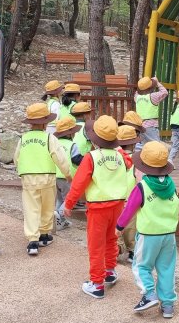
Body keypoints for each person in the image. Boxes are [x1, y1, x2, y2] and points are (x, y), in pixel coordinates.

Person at [63, 115, 134, 299]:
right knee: (111, 240)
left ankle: (96, 283)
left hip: (97, 208)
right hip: (118, 205)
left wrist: (69, 203)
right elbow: (129, 162)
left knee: (96, 245)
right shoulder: (120, 155)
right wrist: (117, 147)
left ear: (95, 140)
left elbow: (79, 183)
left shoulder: (91, 157)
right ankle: (110, 271)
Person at [116, 141, 179, 318]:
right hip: (169, 234)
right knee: (166, 268)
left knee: (141, 266)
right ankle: (167, 305)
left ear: (143, 166)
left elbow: (129, 209)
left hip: (148, 234)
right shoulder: (172, 185)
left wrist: (119, 226)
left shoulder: (142, 187)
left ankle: (149, 293)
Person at [13, 103, 73, 256]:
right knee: (47, 205)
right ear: (46, 123)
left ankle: (32, 241)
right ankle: (44, 235)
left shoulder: (23, 138)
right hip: (47, 176)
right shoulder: (49, 138)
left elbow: (16, 158)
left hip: (28, 177)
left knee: (31, 207)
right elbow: (60, 157)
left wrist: (21, 169)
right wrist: (67, 174)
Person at [53, 116, 84, 230]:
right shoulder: (72, 145)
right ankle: (60, 214)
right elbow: (76, 160)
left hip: (54, 175)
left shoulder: (54, 143)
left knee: (60, 198)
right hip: (66, 177)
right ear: (71, 133)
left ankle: (61, 221)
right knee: (69, 199)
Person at [116, 124, 141, 263]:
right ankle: (132, 252)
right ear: (133, 143)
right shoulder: (137, 160)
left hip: (115, 198)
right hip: (132, 200)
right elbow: (139, 180)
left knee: (117, 226)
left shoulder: (115, 158)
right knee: (132, 229)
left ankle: (117, 249)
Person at [134, 76, 168, 150]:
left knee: (144, 147)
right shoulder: (153, 97)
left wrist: (142, 85)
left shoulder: (137, 97)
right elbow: (165, 92)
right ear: (150, 88)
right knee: (156, 147)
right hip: (151, 126)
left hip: (140, 126)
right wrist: (157, 83)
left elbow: (137, 92)